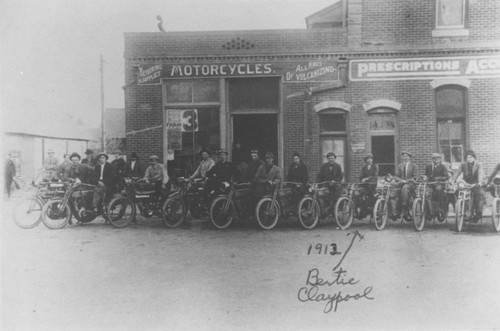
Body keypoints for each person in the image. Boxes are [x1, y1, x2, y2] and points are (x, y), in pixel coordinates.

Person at [452, 150, 485, 222]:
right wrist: (453, 180)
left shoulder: (478, 165)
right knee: (457, 192)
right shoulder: (463, 164)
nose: (469, 159)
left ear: (474, 158)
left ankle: (478, 212)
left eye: (470, 157)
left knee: (479, 194)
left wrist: (479, 182)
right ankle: (462, 209)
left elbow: (480, 174)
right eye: (467, 157)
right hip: (466, 183)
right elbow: (457, 173)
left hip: (476, 184)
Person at [392, 151, 419, 220]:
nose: (405, 157)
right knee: (392, 188)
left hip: (410, 184)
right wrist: (400, 180)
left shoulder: (414, 166)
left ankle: (404, 205)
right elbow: (396, 176)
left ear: (410, 157)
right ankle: (394, 211)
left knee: (405, 187)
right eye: (404, 156)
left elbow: (415, 177)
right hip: (401, 183)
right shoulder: (399, 166)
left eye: (406, 156)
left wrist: (407, 181)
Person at [425, 153, 450, 221]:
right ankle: (428, 212)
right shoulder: (429, 167)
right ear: (432, 159)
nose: (436, 160)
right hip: (430, 184)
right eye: (434, 159)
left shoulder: (442, 167)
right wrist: (425, 177)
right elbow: (426, 175)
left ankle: (439, 209)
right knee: (425, 193)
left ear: (440, 160)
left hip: (439, 184)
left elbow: (446, 176)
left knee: (438, 190)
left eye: (437, 159)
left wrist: (438, 178)